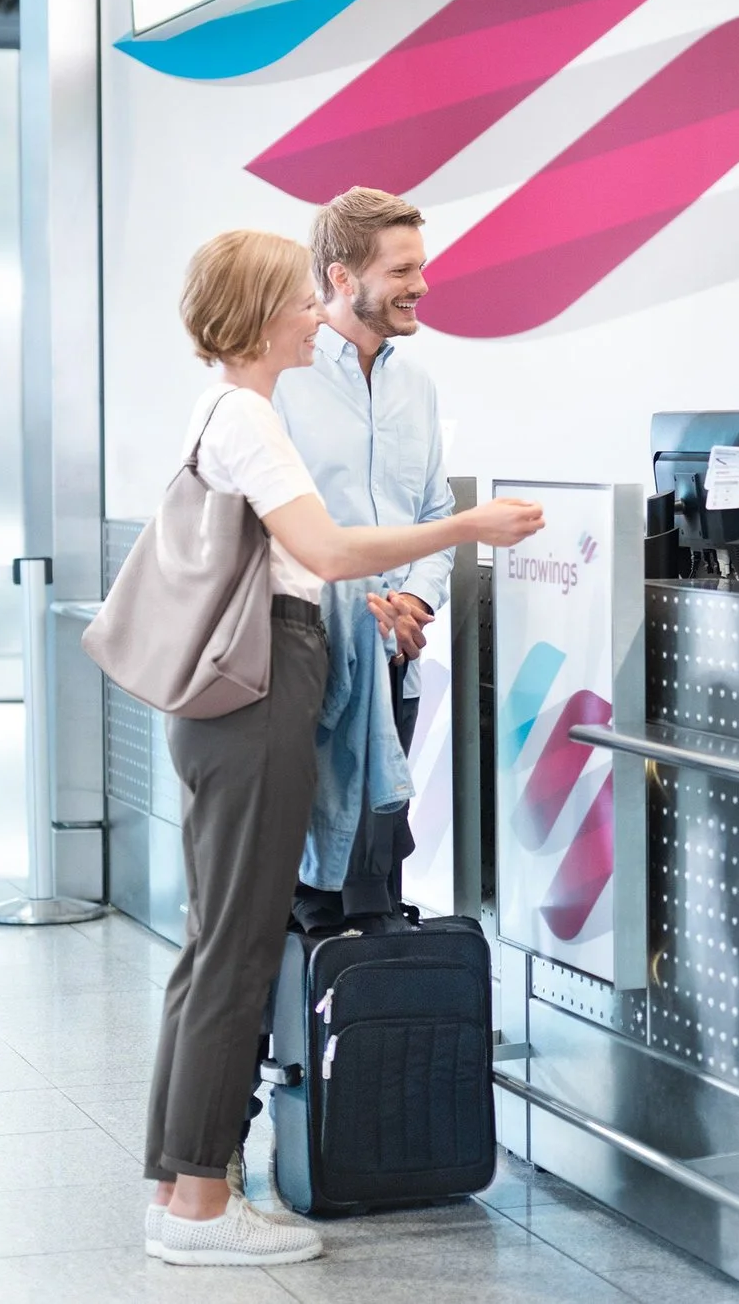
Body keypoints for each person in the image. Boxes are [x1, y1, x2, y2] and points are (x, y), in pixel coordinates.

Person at [141, 229, 542, 1269]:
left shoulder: (234, 408)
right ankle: (196, 1204)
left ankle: (183, 1181)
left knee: (216, 945)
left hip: (260, 685)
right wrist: (465, 528)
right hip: (262, 686)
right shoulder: (253, 417)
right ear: (263, 308)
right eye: (298, 303)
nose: (313, 319)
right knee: (234, 951)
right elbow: (325, 550)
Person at [273, 186, 449, 928]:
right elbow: (270, 527)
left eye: (421, 266)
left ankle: (373, 1026)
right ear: (343, 279)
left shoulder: (418, 386)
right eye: (402, 270)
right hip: (311, 655)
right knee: (305, 876)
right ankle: (304, 1029)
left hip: (395, 656)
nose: (421, 285)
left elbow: (434, 513)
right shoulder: (284, 377)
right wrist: (358, 603)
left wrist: (414, 601)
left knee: (377, 867)